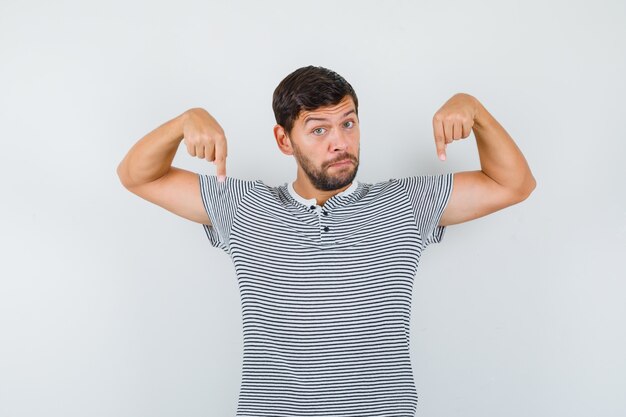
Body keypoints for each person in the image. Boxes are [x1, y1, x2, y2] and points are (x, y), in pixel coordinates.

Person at [117, 65, 536, 417]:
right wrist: (184, 120)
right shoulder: (241, 206)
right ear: (285, 140)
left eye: (348, 123)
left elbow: (514, 184)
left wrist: (475, 109)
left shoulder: (407, 202)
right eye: (319, 130)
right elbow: (137, 176)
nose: (340, 142)